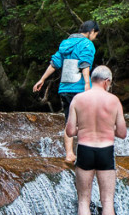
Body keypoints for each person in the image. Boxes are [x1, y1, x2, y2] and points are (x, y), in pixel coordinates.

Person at [65, 65, 127, 215]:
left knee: (84, 199)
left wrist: (82, 129)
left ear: (92, 79)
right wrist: (108, 128)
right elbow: (122, 133)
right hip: (105, 151)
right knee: (107, 200)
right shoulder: (114, 101)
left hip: (85, 149)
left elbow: (69, 131)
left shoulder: (78, 99)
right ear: (107, 81)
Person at [32, 21, 100, 163]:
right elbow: (85, 64)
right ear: (91, 31)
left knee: (70, 121)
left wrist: (42, 79)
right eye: (95, 34)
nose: (95, 37)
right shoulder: (87, 44)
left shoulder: (65, 44)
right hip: (80, 89)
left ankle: (69, 154)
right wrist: (87, 83)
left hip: (65, 89)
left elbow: (54, 63)